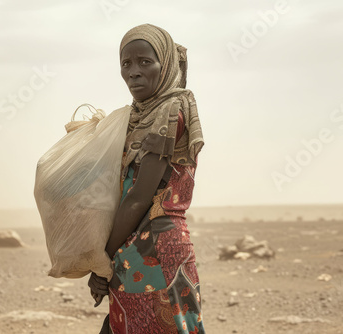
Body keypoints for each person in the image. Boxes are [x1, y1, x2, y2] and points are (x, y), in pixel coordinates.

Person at [88, 23, 205, 334]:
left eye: (144, 61)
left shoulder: (168, 112)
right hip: (134, 254)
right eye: (126, 63)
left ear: (164, 65)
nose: (133, 72)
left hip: (155, 254)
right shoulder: (136, 116)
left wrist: (101, 259)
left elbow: (139, 197)